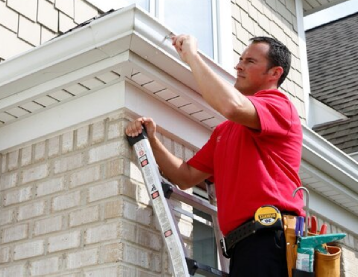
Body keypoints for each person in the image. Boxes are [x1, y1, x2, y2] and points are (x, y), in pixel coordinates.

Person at [125, 34, 305, 277]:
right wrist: (152, 139)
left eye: (250, 61)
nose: (238, 65)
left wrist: (191, 56)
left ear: (274, 73)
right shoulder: (225, 131)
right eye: (240, 59)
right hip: (243, 248)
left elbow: (231, 106)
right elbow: (185, 175)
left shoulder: (280, 107)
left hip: (271, 241)